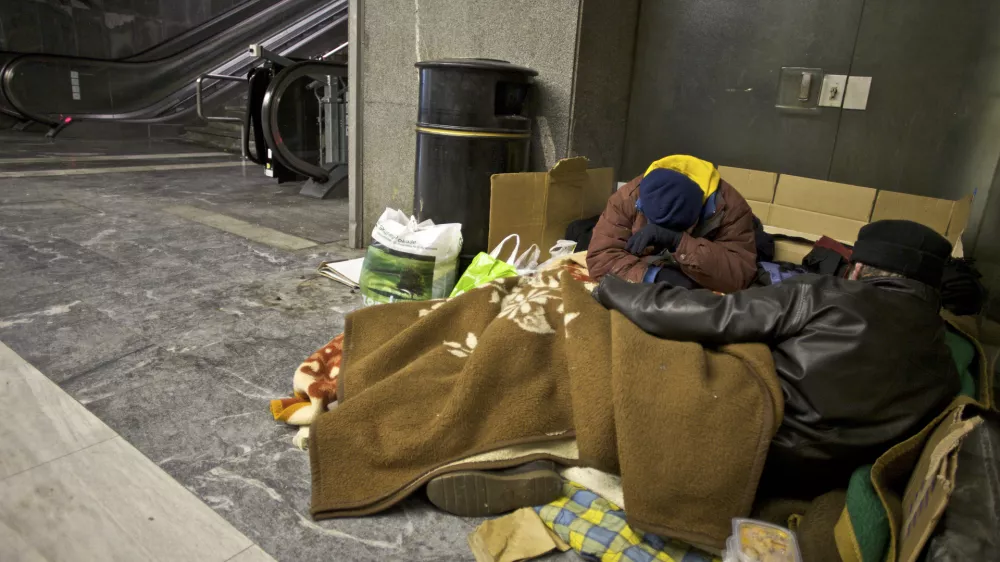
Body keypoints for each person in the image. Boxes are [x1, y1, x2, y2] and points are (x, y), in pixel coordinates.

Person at [593, 219, 960, 497]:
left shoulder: (824, 294)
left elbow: (708, 315)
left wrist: (611, 288)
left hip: (763, 453)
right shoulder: (945, 356)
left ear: (858, 269)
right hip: (831, 479)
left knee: (637, 346)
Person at [587, 155, 757, 293]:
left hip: (697, 264)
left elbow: (739, 275)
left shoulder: (731, 207)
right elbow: (600, 257)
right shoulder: (628, 197)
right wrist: (655, 276)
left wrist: (679, 241)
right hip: (651, 267)